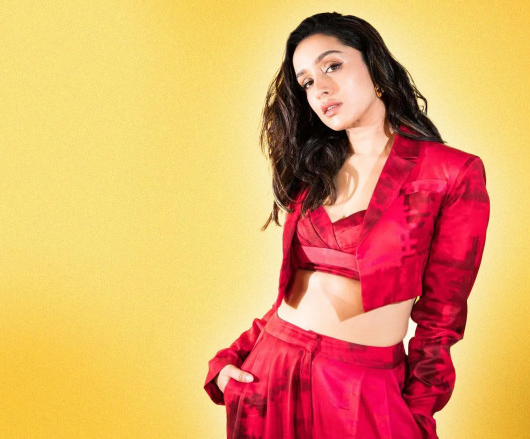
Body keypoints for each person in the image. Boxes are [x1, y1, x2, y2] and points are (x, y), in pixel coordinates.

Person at [204, 12, 490, 439]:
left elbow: (441, 317)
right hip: (272, 374)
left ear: (374, 65)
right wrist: (233, 357)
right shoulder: (313, 172)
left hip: (363, 389)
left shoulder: (450, 173)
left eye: (332, 66)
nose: (319, 88)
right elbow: (296, 291)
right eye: (306, 82)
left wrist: (418, 412)